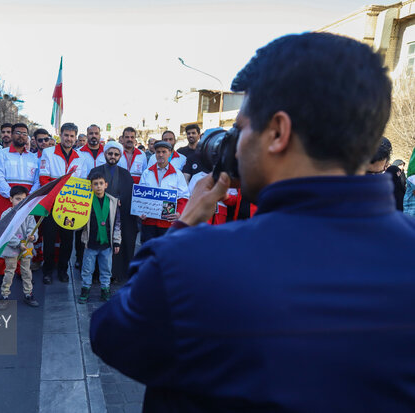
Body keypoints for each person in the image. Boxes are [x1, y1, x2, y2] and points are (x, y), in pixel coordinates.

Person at [90, 32, 415, 411]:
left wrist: (184, 225)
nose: (234, 146)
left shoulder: (194, 263)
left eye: (241, 129)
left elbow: (112, 334)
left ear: (277, 133)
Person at [0, 123, 40, 287]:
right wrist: (13, 196)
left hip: (26, 203)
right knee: (2, 237)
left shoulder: (34, 158)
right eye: (17, 132)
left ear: (28, 137)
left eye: (24, 133)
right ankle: (0, 272)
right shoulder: (0, 155)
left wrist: (28, 197)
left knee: (23, 236)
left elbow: (37, 180)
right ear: (11, 135)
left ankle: (19, 270)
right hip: (6, 202)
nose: (21, 135)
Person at [39, 122, 85, 284]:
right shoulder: (48, 152)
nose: (69, 138)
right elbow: (44, 179)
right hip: (52, 205)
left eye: (72, 136)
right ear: (61, 135)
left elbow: (82, 184)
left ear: (76, 138)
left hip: (71, 208)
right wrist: (62, 190)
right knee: (49, 240)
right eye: (66, 135)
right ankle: (47, 271)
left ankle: (63, 270)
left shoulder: (80, 157)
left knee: (67, 241)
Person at [90, 141, 137, 282]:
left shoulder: (125, 174)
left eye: (116, 154)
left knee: (118, 244)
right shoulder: (95, 172)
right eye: (110, 153)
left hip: (118, 216)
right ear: (105, 154)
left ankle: (116, 273)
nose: (113, 156)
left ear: (120, 156)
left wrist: (119, 201)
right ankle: (96, 274)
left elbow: (128, 194)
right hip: (98, 214)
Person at [78, 172, 121, 304]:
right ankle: (85, 290)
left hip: (107, 244)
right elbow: (79, 222)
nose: (98, 186)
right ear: (91, 186)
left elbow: (117, 223)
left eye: (101, 183)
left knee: (106, 269)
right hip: (90, 243)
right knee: (87, 269)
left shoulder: (113, 201)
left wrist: (116, 241)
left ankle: (105, 290)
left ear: (106, 185)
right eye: (95, 184)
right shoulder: (86, 201)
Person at [138, 140, 189, 242]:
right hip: (149, 221)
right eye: (158, 152)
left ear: (170, 153)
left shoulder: (177, 174)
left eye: (164, 152)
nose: (160, 155)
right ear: (155, 153)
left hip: (168, 222)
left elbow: (184, 197)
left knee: (166, 252)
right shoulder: (147, 173)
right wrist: (140, 212)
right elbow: (140, 196)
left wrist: (179, 213)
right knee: (148, 252)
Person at [0, 186, 39, 309]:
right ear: (10, 199)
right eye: (17, 199)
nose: (21, 201)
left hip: (26, 248)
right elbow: (6, 233)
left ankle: (28, 294)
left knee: (26, 272)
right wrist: (17, 243)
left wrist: (32, 236)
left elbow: (32, 228)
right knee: (9, 272)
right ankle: (4, 295)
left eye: (24, 199)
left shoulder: (29, 214)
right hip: (12, 249)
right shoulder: (6, 214)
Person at [75, 124, 106, 268]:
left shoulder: (106, 152)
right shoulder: (79, 152)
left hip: (100, 195)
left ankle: (98, 263)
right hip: (83, 196)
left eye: (96, 133)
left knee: (97, 226)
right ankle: (79, 258)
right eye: (91, 133)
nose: (94, 136)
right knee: (81, 227)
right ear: (87, 135)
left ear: (100, 135)